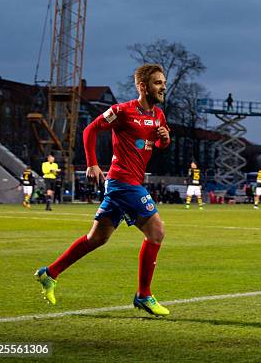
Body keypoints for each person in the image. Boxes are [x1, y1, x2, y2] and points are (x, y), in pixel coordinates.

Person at [35, 63, 172, 316]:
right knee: (156, 232)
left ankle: (49, 273)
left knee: (97, 238)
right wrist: (92, 164)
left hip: (130, 183)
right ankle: (144, 295)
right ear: (143, 86)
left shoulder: (159, 115)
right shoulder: (121, 111)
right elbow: (91, 129)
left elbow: (159, 144)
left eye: (163, 82)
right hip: (123, 182)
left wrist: (164, 138)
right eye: (157, 83)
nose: (163, 86)